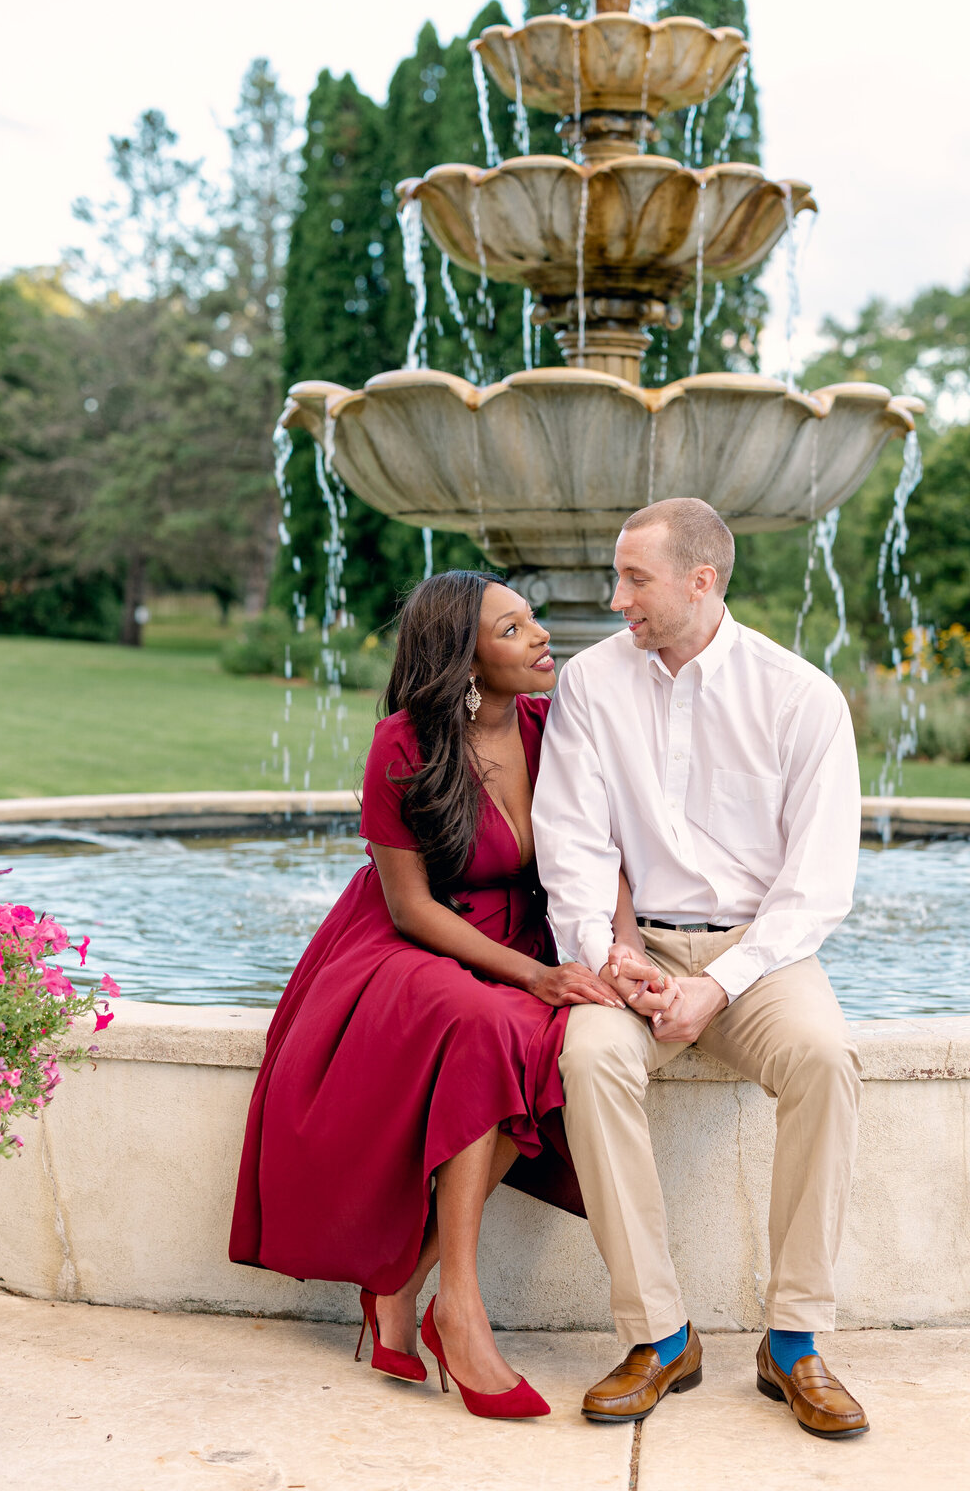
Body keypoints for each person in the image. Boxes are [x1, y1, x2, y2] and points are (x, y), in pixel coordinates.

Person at [230, 570, 624, 1421]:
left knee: (549, 1043)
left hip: (527, 939)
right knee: (490, 1023)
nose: (542, 637)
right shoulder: (403, 742)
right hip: (416, 940)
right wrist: (534, 974)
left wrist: (610, 953)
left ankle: (406, 1282)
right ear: (465, 656)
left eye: (532, 621)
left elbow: (607, 856)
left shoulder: (553, 726)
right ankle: (464, 1310)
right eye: (515, 629)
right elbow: (407, 905)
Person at [531, 498, 869, 1440]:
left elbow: (815, 888)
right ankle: (660, 1334)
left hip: (761, 958)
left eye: (634, 579)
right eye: (616, 576)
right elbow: (572, 840)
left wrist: (720, 983)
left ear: (701, 581)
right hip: (633, 952)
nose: (616, 598)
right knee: (590, 1059)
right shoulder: (594, 684)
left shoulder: (801, 697)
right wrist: (608, 953)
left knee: (825, 1059)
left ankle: (795, 1341)